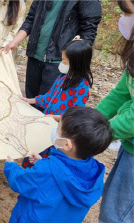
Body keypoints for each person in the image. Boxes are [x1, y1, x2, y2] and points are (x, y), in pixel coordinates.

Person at [4, 107, 112, 223]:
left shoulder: (45, 171)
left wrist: (11, 166)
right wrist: (43, 163)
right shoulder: (95, 172)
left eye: (58, 129)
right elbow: (62, 174)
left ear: (66, 144)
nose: (54, 130)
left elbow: (19, 181)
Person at [0, 0, 101, 106]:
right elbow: (31, 18)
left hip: (60, 61)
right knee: (29, 103)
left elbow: (89, 30)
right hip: (35, 55)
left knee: (49, 106)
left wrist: (75, 54)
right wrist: (15, 41)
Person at [98, 0, 134, 222]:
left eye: (128, 11)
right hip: (130, 142)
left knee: (118, 214)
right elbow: (121, 93)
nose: (125, 18)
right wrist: (94, 119)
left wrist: (97, 133)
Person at [20, 39, 92, 115]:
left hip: (61, 125)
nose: (62, 64)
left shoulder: (82, 86)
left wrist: (55, 118)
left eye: (65, 62)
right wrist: (29, 100)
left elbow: (76, 115)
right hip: (49, 118)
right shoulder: (63, 76)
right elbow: (48, 97)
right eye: (62, 60)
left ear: (77, 64)